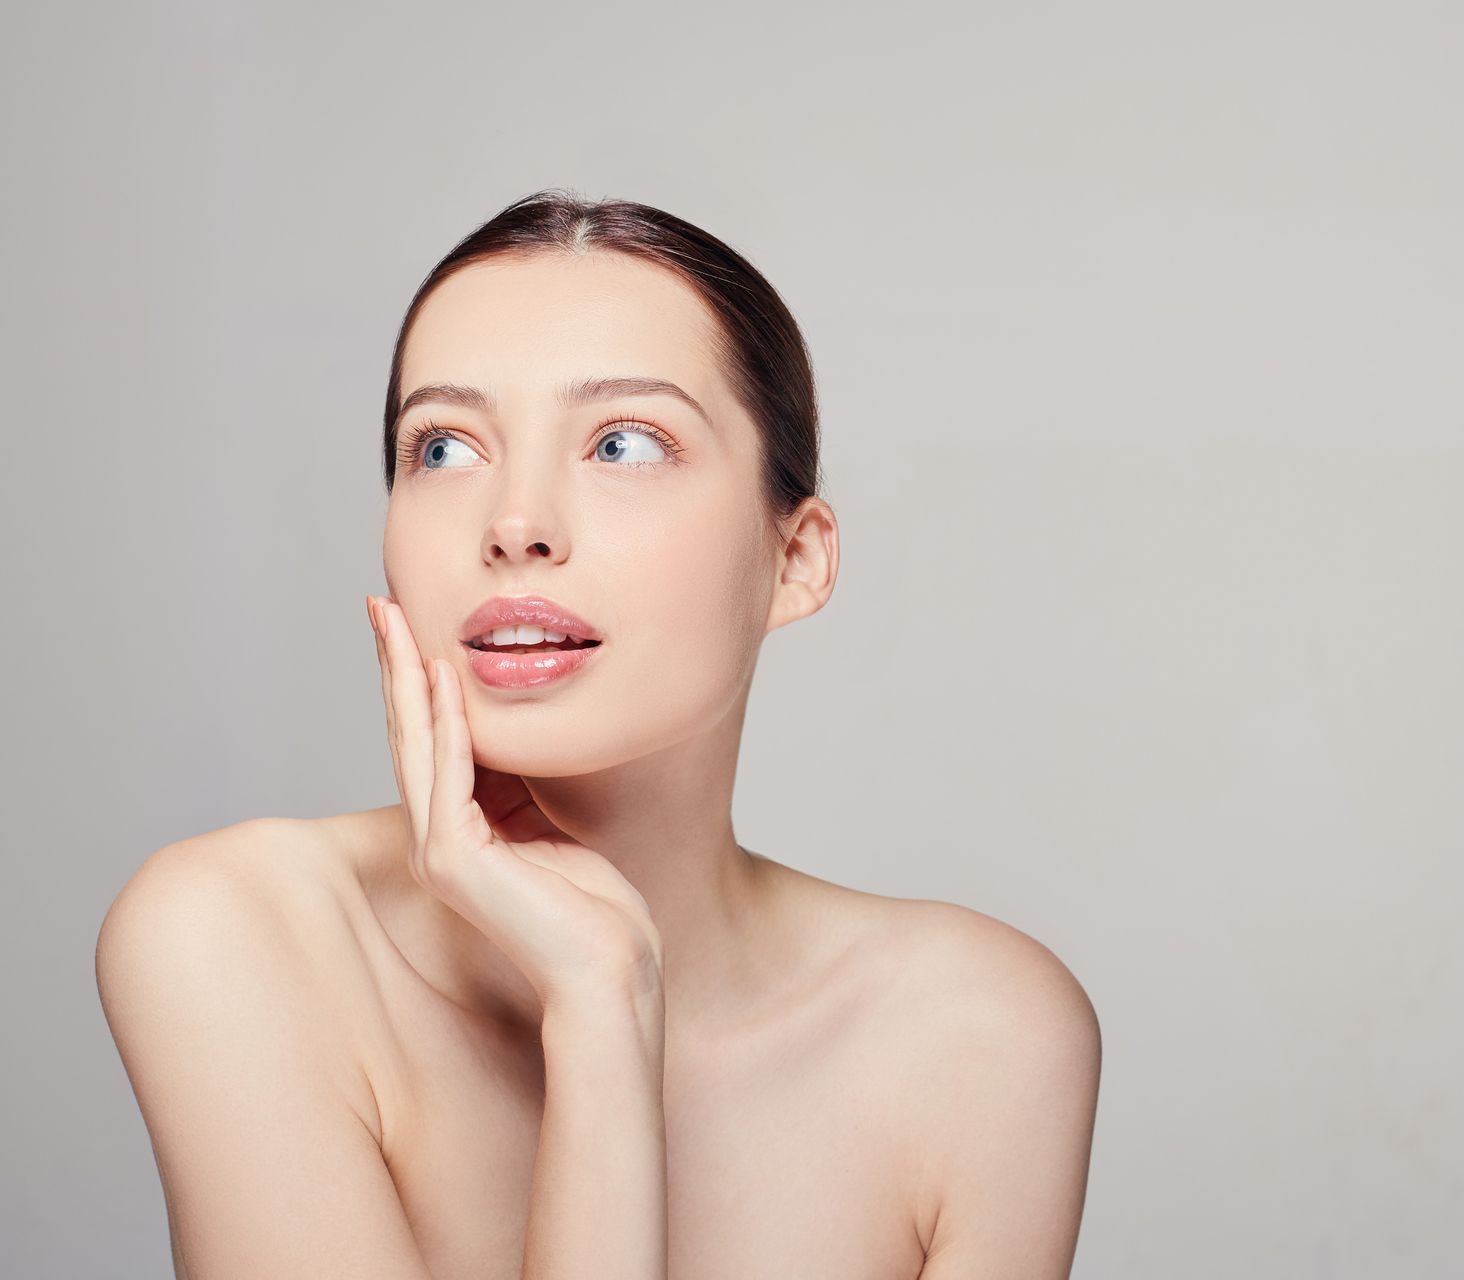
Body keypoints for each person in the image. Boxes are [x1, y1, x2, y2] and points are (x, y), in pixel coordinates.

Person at [95, 189, 1102, 1279]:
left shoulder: (980, 1034)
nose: (516, 524)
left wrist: (607, 996)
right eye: (441, 448)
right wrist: (601, 1002)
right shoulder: (241, 934)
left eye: (623, 442)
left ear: (796, 557)